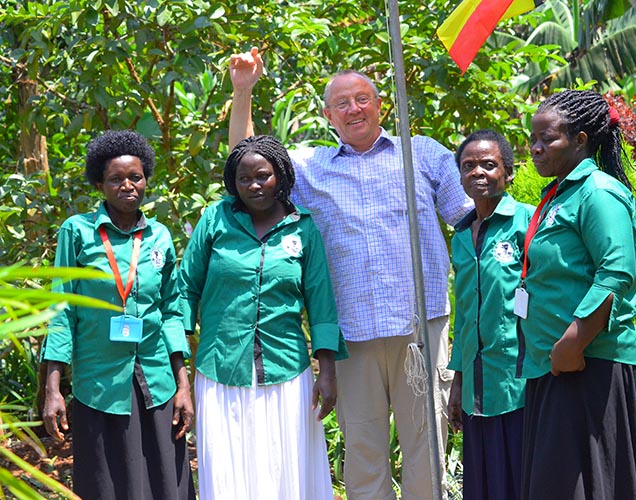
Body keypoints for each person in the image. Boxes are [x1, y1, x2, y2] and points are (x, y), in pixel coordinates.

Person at [227, 48, 472, 500]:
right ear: (327, 115)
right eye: (342, 103)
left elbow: (474, 218)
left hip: (422, 328)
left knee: (428, 451)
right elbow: (249, 162)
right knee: (363, 455)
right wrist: (243, 91)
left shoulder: (422, 154)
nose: (354, 109)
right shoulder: (309, 167)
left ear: (380, 104)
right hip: (352, 338)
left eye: (363, 98)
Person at [178, 135, 347, 500]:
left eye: (263, 176)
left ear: (280, 176)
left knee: (286, 468)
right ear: (232, 182)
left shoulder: (303, 229)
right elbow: (185, 290)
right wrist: (180, 368)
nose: (254, 185)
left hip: (287, 372)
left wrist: (328, 370)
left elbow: (321, 302)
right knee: (227, 471)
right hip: (221, 369)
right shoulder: (215, 221)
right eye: (244, 178)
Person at [518, 89, 636, 499]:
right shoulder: (558, 194)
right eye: (533, 138)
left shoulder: (597, 192)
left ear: (581, 140)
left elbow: (616, 273)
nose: (535, 148)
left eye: (547, 139)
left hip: (592, 365)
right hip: (556, 366)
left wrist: (575, 340)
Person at [41, 130, 195, 500]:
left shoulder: (160, 237)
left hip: (156, 381)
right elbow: (62, 311)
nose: (128, 186)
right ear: (99, 183)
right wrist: (53, 388)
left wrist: (183, 384)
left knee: (166, 484)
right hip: (100, 383)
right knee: (108, 484)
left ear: (146, 180)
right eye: (116, 179)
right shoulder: (77, 233)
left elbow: (172, 311)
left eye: (135, 177)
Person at [446, 130, 534, 500]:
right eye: (468, 166)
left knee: (522, 476)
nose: (477, 172)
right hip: (476, 385)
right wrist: (458, 379)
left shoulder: (527, 222)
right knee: (485, 481)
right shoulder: (462, 235)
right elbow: (465, 313)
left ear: (508, 173)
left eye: (488, 164)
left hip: (519, 379)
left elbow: (541, 297)